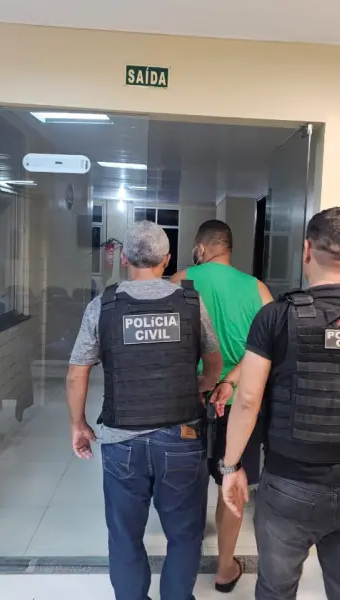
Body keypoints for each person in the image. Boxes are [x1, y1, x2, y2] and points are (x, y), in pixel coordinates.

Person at [220, 207, 340, 600]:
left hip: (291, 483)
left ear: (306, 249)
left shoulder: (277, 316)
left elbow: (248, 399)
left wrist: (232, 466)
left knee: (276, 590)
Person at [67, 220, 224, 600]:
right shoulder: (190, 302)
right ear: (167, 260)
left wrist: (78, 424)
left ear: (124, 258)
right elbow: (214, 361)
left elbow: (76, 373)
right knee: (185, 535)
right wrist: (200, 386)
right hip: (181, 438)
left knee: (124, 536)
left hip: (121, 440)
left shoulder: (103, 306)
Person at [170, 219, 273, 593]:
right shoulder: (257, 288)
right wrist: (231, 379)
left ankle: (184, 562)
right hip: (240, 403)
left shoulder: (181, 280)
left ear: (200, 248)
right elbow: (269, 347)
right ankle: (225, 568)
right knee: (232, 481)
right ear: (229, 248)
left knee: (186, 481)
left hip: (190, 398)